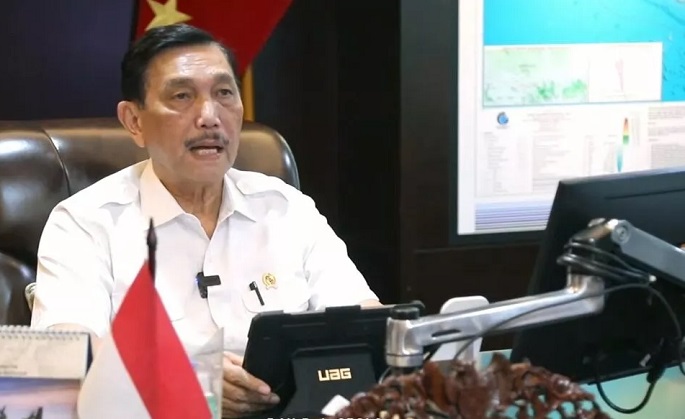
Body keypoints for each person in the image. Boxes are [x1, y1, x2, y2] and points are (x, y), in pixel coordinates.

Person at [29, 23, 380, 417]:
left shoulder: (285, 208)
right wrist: (191, 383)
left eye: (224, 93)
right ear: (134, 121)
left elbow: (365, 323)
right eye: (182, 96)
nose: (210, 117)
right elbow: (66, 361)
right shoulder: (85, 223)